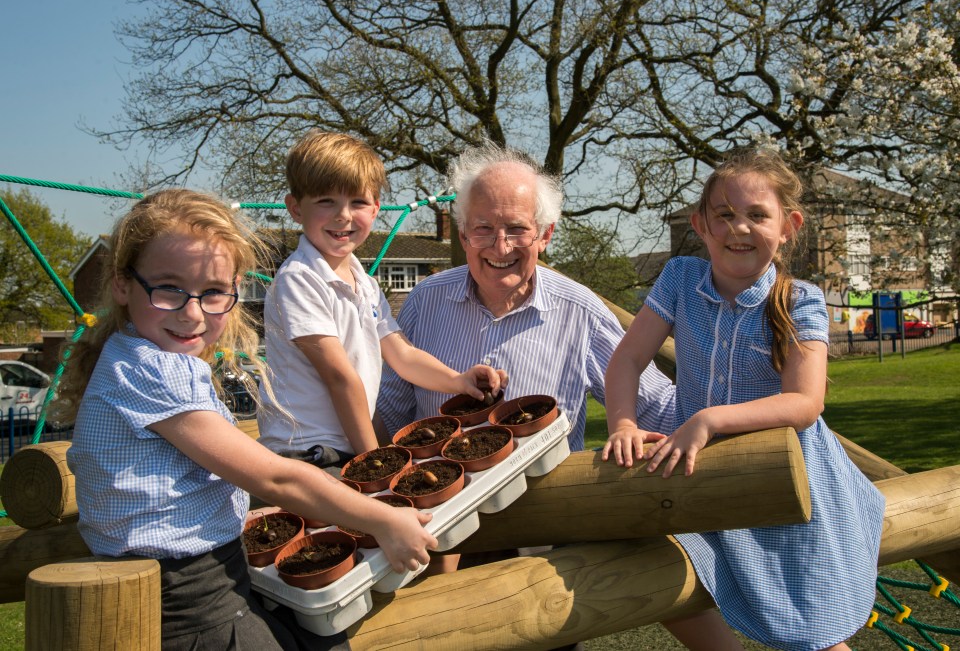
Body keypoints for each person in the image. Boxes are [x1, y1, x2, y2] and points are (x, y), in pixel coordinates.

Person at [56, 189, 438, 650]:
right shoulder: (151, 368)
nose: (192, 312)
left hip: (203, 580)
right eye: (169, 288)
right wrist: (382, 519)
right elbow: (277, 477)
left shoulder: (139, 355)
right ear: (122, 284)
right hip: (188, 601)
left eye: (214, 292)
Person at [603, 146, 885, 651]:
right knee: (653, 563)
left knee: (813, 630)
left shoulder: (800, 300)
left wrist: (711, 418)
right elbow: (626, 360)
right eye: (725, 215)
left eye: (758, 215)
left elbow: (805, 402)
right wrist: (622, 424)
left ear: (788, 226)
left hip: (788, 476)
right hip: (702, 473)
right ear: (701, 224)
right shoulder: (681, 279)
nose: (739, 228)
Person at [376, 141, 676, 452]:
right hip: (443, 499)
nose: (501, 246)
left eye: (517, 228)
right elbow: (389, 418)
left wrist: (720, 416)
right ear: (464, 235)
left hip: (548, 498)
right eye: (483, 228)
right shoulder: (425, 302)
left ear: (544, 234)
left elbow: (659, 408)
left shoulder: (581, 312)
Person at [257, 131, 506, 469]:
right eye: (326, 201)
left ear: (375, 209)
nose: (343, 215)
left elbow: (402, 355)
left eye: (357, 202)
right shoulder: (300, 279)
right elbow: (341, 379)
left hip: (344, 445)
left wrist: (457, 380)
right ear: (296, 208)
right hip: (306, 453)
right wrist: (377, 460)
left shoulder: (364, 283)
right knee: (385, 516)